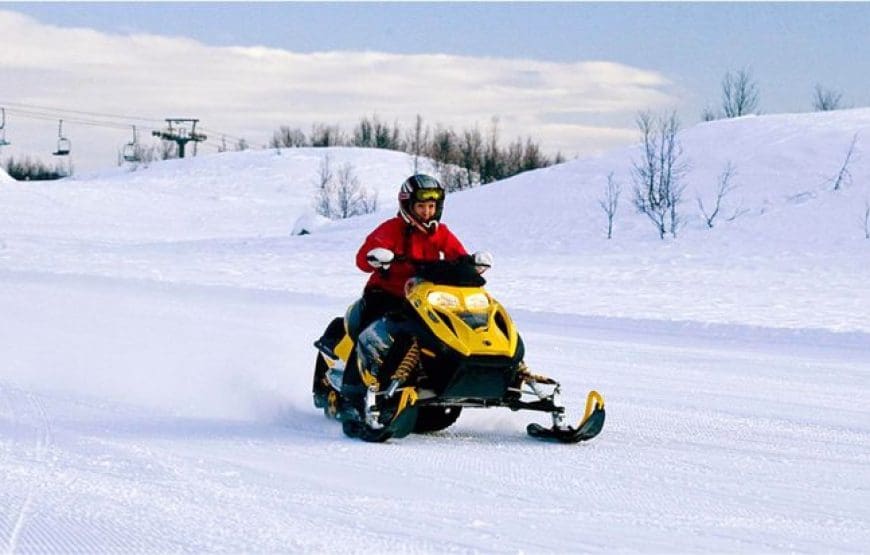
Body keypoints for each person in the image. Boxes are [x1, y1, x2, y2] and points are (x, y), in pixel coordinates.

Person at [354, 174, 491, 332]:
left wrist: (470, 265)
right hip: (389, 293)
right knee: (374, 328)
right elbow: (362, 260)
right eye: (421, 206)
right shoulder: (391, 229)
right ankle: (360, 354)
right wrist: (375, 257)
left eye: (431, 206)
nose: (427, 212)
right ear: (408, 206)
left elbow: (458, 254)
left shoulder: (439, 232)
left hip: (425, 296)